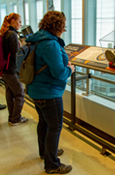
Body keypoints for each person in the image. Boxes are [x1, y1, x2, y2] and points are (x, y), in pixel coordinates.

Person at [26, 11, 75, 174]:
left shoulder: (37, 39)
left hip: (35, 89)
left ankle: (45, 152)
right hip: (49, 93)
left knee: (44, 122)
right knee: (55, 127)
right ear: (59, 26)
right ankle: (52, 164)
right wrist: (70, 69)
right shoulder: (51, 44)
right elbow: (59, 73)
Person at [0, 13, 28, 126]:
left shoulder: (5, 33)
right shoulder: (12, 35)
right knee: (20, 93)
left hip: (4, 69)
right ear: (12, 21)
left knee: (10, 92)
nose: (21, 24)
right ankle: (16, 118)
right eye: (19, 22)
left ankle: (11, 117)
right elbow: (17, 54)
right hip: (11, 69)